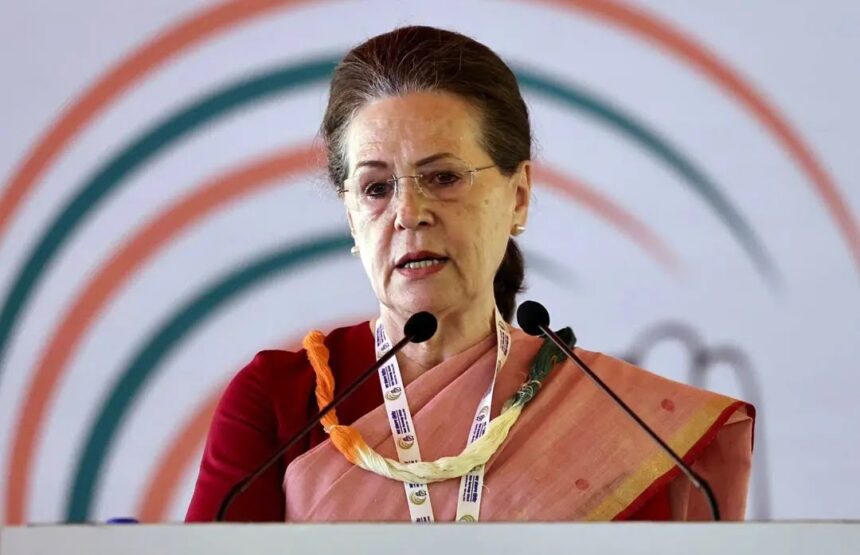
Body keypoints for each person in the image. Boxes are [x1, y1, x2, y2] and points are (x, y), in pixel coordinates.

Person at [185, 25, 754, 523]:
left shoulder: (618, 423)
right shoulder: (282, 402)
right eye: (376, 188)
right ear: (351, 218)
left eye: (444, 178)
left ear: (519, 196)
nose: (409, 213)